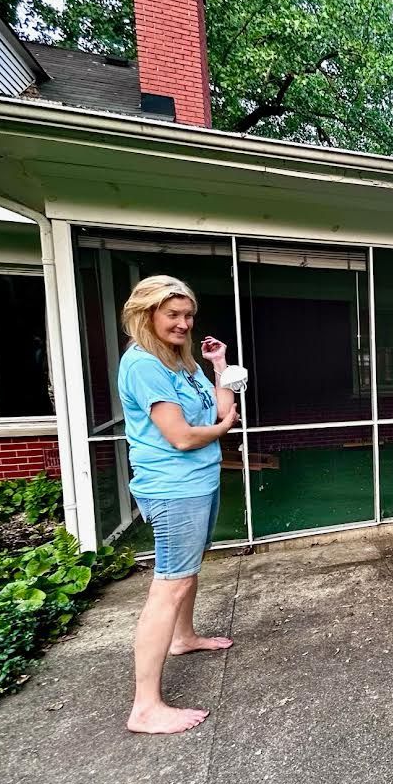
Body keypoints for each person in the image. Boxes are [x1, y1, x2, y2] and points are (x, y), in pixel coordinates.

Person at [117, 275, 240, 734]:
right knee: (169, 583)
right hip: (173, 486)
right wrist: (224, 428)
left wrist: (219, 363)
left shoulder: (180, 363)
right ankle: (145, 706)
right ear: (146, 314)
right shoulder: (144, 365)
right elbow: (184, 436)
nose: (183, 323)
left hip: (197, 481)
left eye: (188, 315)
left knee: (187, 571)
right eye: (173, 314)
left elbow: (215, 409)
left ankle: (183, 638)